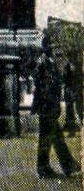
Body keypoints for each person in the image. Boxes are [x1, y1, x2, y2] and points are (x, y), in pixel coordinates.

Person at [31, 35, 81, 180]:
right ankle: (50, 167)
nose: (58, 50)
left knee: (51, 137)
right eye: (55, 47)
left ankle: (62, 165)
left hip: (47, 106)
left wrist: (67, 69)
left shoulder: (49, 63)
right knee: (49, 138)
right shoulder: (46, 64)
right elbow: (47, 87)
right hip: (47, 107)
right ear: (48, 49)